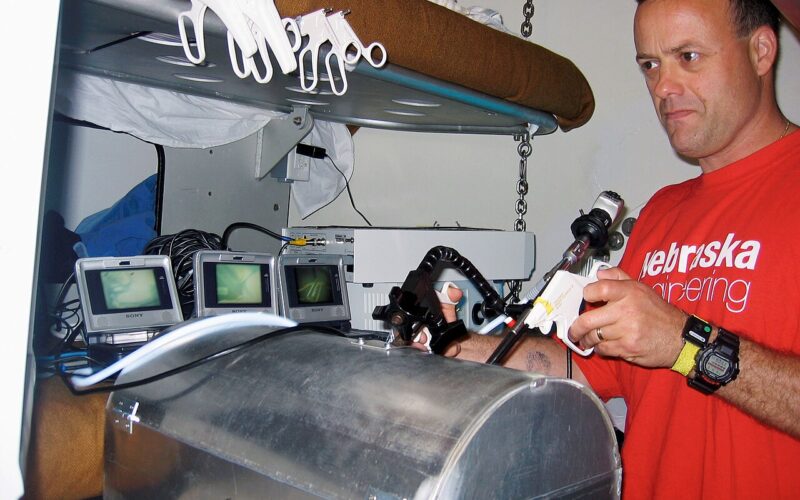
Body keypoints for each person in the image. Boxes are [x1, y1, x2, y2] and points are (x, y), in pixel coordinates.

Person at [433, 0, 800, 497]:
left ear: (761, 51)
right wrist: (458, 349)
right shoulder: (662, 212)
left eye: (688, 56)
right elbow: (589, 370)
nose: (663, 87)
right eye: (650, 64)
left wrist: (686, 345)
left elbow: (678, 344)